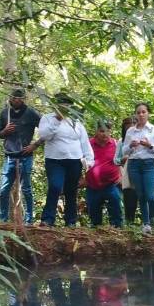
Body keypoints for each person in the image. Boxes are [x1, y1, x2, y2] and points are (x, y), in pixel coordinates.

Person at [37, 92, 94, 227]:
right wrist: (57, 119)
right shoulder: (47, 118)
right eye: (62, 104)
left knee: (71, 190)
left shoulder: (76, 121)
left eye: (67, 105)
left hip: (74, 161)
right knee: (55, 186)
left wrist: (89, 159)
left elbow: (84, 142)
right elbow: (44, 135)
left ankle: (71, 221)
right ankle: (48, 219)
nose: (65, 107)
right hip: (54, 160)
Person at [0, 88, 42, 224]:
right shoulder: (5, 114)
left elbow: (45, 128)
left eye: (20, 98)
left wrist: (35, 144)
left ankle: (29, 221)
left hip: (26, 156)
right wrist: (5, 131)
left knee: (26, 189)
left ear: (24, 99)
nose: (17, 100)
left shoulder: (31, 113)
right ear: (10, 98)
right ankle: (3, 219)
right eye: (15, 98)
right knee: (3, 190)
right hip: (9, 156)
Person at [122, 103, 154, 235]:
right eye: (138, 112)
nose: (141, 115)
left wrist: (149, 145)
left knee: (151, 196)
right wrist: (130, 145)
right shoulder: (130, 131)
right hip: (134, 164)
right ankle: (146, 224)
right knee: (140, 195)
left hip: (149, 164)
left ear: (148, 114)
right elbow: (124, 150)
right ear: (135, 114)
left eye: (143, 112)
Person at [85, 120, 123, 228]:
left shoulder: (116, 144)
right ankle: (96, 235)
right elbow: (79, 160)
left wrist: (122, 176)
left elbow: (123, 160)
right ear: (96, 131)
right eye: (102, 131)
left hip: (112, 184)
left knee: (116, 206)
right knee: (94, 215)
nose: (105, 134)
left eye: (107, 131)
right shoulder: (88, 144)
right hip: (93, 186)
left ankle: (117, 231)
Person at [115, 117, 139, 225]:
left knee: (147, 198)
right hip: (127, 174)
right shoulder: (122, 142)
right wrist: (122, 159)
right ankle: (130, 224)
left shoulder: (143, 137)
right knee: (129, 201)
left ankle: (150, 224)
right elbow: (115, 159)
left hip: (142, 172)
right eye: (127, 126)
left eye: (133, 124)